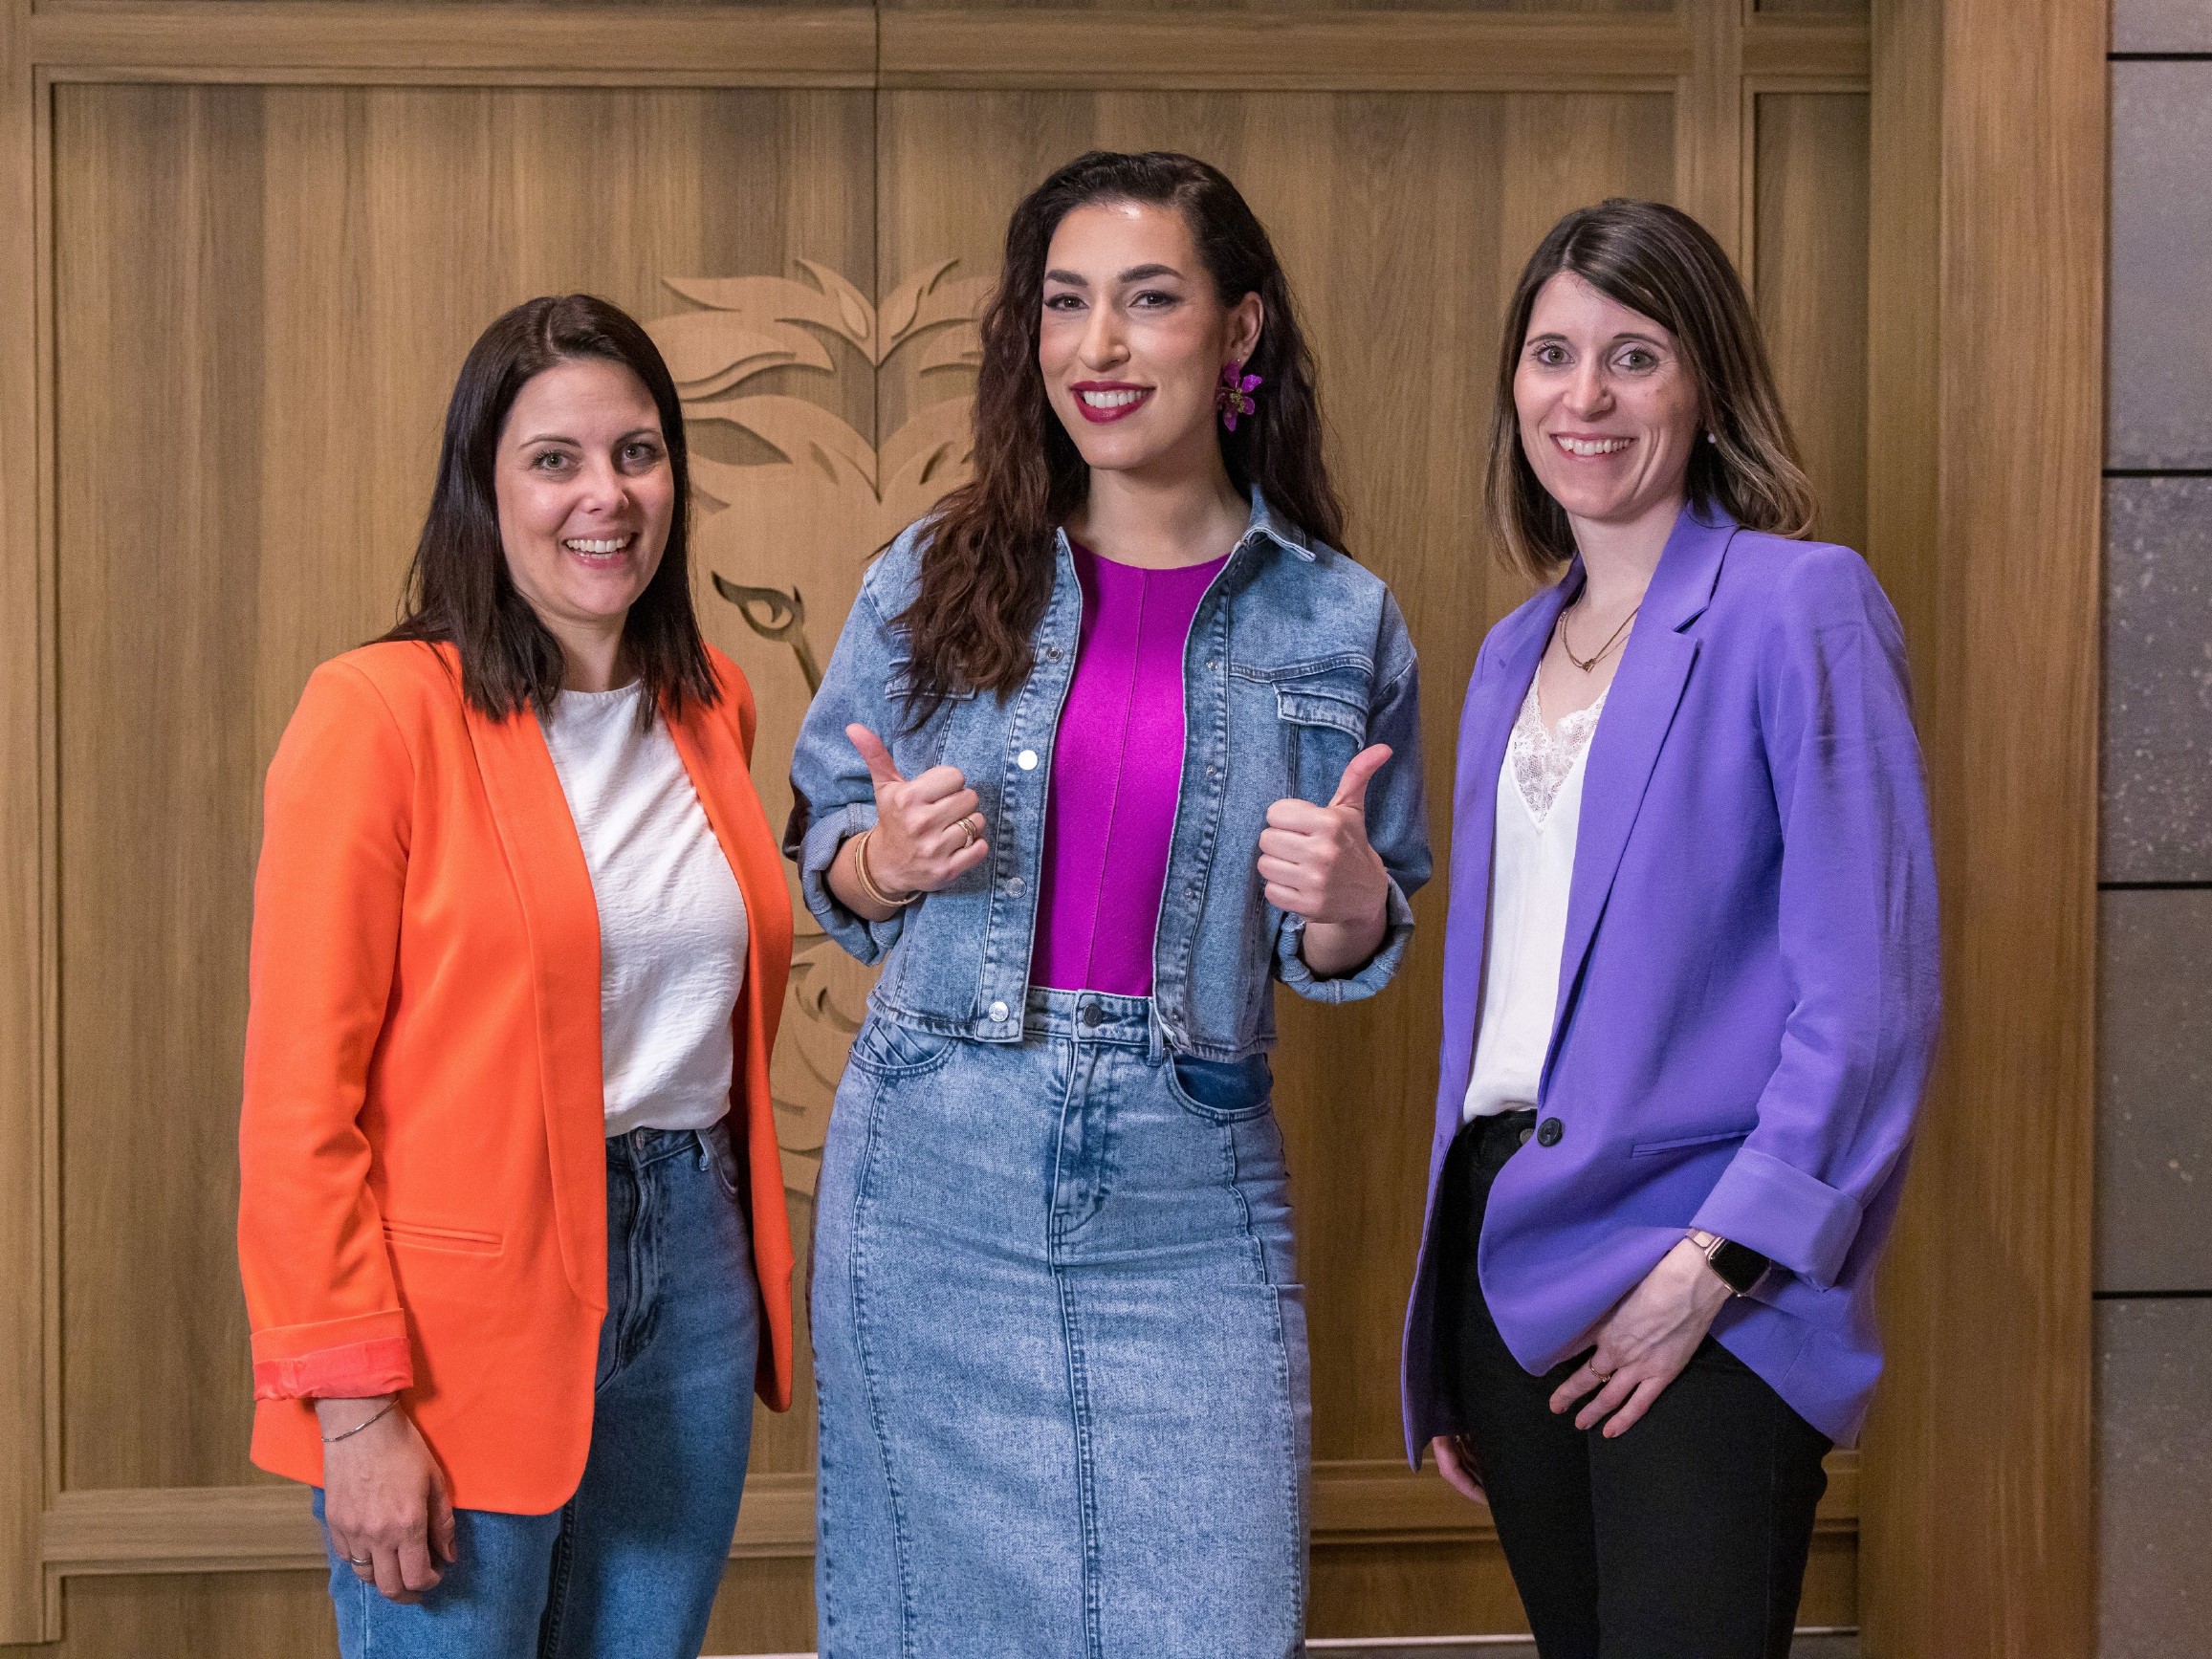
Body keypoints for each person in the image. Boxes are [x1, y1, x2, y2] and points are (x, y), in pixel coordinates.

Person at [787, 150, 1430, 1658]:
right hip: (936, 1162)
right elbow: (825, 843)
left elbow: (1348, 937)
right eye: (1064, 306)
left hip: (1188, 1177)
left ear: (1239, 330)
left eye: (1149, 302)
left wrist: (1344, 905)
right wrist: (883, 861)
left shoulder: (1339, 615)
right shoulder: (936, 574)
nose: (1099, 347)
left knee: (1217, 1617)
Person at [1400, 199, 1940, 1659]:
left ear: (1704, 387)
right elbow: (1505, 1008)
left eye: (1633, 356)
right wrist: (1456, 1323)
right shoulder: (1515, 648)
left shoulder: (1797, 606)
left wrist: (1717, 1264)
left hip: (1701, 1268)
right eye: (1551, 354)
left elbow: (1870, 1000)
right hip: (1504, 1257)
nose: (1584, 398)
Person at [236, 294, 795, 1658]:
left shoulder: (712, 702)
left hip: (694, 1276)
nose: (604, 496)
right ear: (484, 491)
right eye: (554, 459)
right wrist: (357, 1411)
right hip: (452, 1327)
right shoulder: (377, 716)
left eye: (638, 453)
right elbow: (299, 1105)